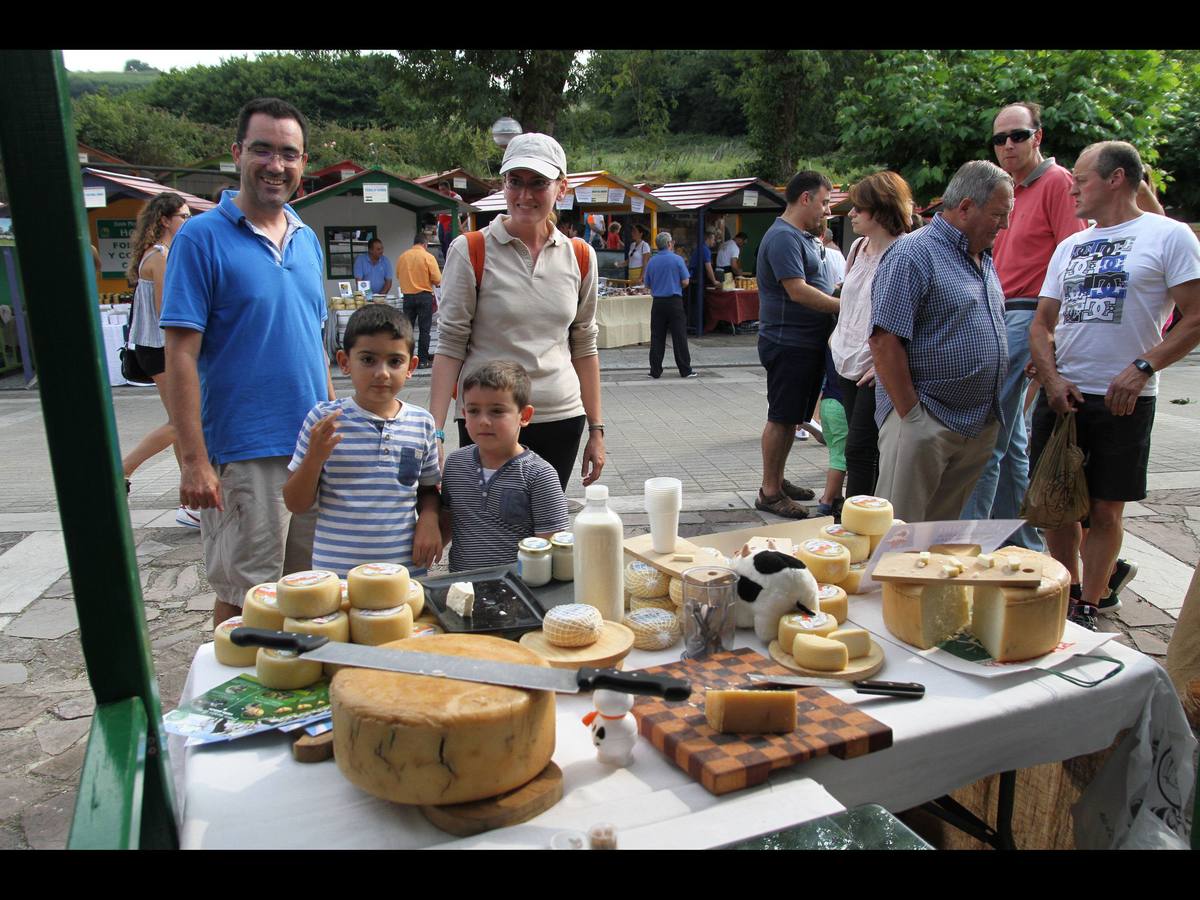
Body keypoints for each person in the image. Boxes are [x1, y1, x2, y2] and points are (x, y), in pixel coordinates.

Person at [160, 97, 335, 628]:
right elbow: (180, 354)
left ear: (304, 163)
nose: (275, 165)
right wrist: (194, 459)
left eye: (289, 153)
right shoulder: (200, 237)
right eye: (262, 150)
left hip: (309, 451)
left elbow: (315, 341)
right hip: (244, 450)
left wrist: (331, 429)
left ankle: (292, 702)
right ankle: (229, 705)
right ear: (237, 153)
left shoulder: (306, 239)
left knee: (310, 594)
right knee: (246, 599)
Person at [1029, 141, 1200, 629]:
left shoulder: (1169, 237)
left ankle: (1091, 602)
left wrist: (1144, 366)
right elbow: (1041, 324)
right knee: (1055, 507)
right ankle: (1066, 593)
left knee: (1105, 508)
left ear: (1117, 178)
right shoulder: (1070, 246)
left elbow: (1195, 317)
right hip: (1064, 395)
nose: (1072, 189)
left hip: (1125, 399)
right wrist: (1050, 376)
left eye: (1081, 179)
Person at [429, 132, 606, 492]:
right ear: (503, 185)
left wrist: (596, 429)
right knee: (490, 528)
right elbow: (449, 345)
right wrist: (434, 434)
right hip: (487, 418)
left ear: (562, 188)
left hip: (560, 416)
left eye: (538, 183)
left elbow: (584, 345)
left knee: (544, 533)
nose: (525, 195)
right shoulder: (472, 250)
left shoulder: (581, 255)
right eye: (515, 181)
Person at [960, 102, 1088, 553]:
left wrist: (1047, 339)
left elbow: (1072, 259)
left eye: (1017, 135)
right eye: (1000, 138)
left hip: (1026, 313)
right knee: (1011, 439)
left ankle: (972, 545)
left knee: (988, 434)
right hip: (1001, 311)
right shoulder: (1005, 188)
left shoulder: (1056, 182)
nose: (1008, 145)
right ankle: (1022, 540)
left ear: (1039, 136)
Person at [870, 160, 1012, 523]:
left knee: (936, 539)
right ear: (965, 207)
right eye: (999, 214)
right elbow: (884, 342)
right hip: (926, 420)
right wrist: (914, 418)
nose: (1006, 224)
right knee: (896, 536)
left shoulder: (982, 257)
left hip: (974, 423)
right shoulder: (912, 253)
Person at [283, 305, 441, 576]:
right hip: (337, 579)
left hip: (402, 575)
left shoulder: (422, 422)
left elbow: (427, 489)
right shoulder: (324, 420)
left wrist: (429, 518)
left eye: (395, 361)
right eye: (368, 360)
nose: (382, 373)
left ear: (411, 366)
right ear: (344, 362)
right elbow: (295, 503)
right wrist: (314, 458)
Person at [754, 170, 839, 518]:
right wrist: (844, 306)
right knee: (781, 417)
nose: (826, 211)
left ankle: (777, 479)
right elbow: (797, 290)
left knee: (790, 419)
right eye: (824, 202)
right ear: (805, 198)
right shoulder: (783, 238)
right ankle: (770, 492)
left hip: (804, 343)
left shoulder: (801, 236)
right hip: (788, 343)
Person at [828, 171, 915, 498]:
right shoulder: (858, 248)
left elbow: (913, 316)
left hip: (874, 366)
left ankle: (858, 521)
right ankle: (871, 515)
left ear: (880, 210)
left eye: (858, 208)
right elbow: (850, 299)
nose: (850, 213)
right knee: (864, 447)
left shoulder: (904, 252)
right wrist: (835, 339)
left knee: (860, 449)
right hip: (845, 360)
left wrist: (884, 365)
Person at [440, 360, 570, 572]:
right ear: (464, 415)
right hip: (462, 588)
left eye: (497, 411)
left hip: (520, 593)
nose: (483, 421)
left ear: (524, 416)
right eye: (474, 411)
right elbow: (448, 520)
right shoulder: (455, 465)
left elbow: (553, 549)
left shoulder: (540, 475)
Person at [120, 191, 201, 528]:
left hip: (152, 348)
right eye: (182, 216)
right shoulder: (162, 256)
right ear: (166, 220)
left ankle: (190, 502)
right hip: (162, 348)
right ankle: (121, 470)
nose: (187, 221)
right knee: (181, 421)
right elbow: (168, 312)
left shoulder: (152, 255)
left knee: (178, 423)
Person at [643, 231, 697, 380]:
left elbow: (647, 284)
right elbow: (686, 281)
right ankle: (685, 369)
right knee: (679, 336)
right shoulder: (677, 259)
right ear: (669, 244)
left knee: (657, 337)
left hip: (658, 302)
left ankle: (655, 370)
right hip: (674, 301)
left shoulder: (652, 261)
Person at [395, 233, 442, 369]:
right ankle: (422, 360)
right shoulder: (428, 257)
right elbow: (437, 279)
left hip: (408, 297)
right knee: (424, 330)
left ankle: (406, 359)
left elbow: (398, 274)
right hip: (424, 296)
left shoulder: (403, 257)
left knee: (406, 330)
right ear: (425, 244)